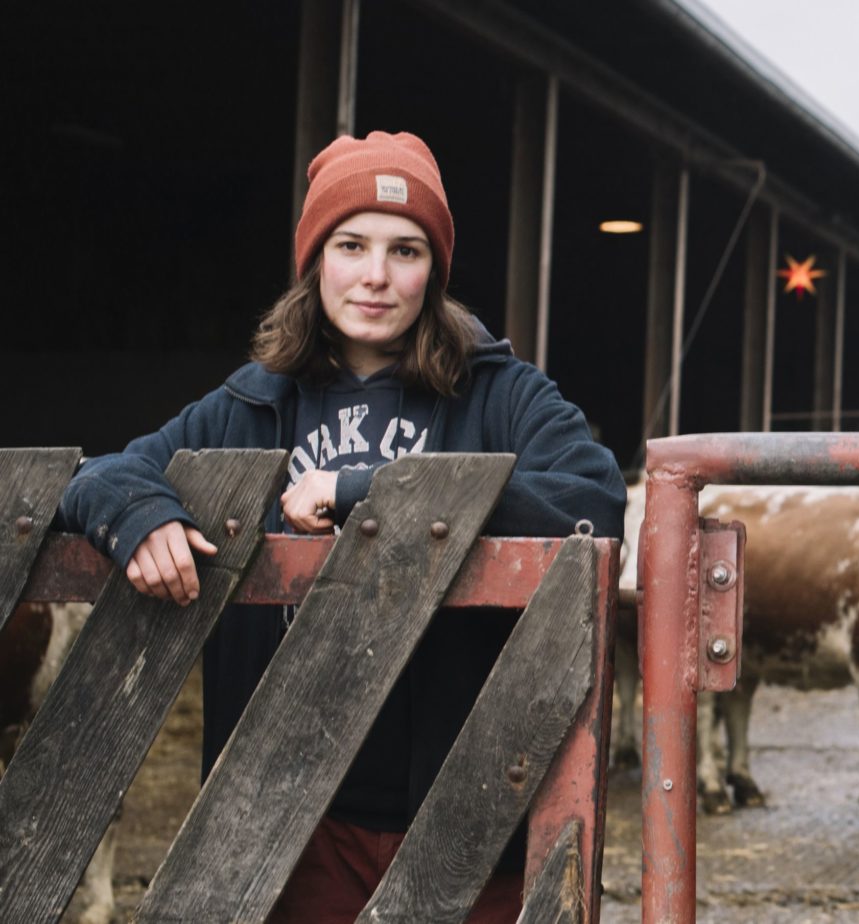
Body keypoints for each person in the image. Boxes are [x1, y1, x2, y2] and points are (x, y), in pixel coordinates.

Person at [57, 130, 627, 923]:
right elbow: (97, 475)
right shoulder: (253, 404)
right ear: (315, 258)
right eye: (351, 244)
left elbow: (592, 494)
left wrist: (370, 494)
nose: (376, 276)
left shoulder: (499, 392)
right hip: (291, 812)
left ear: (435, 271)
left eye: (407, 250)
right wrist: (138, 515)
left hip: (465, 804)